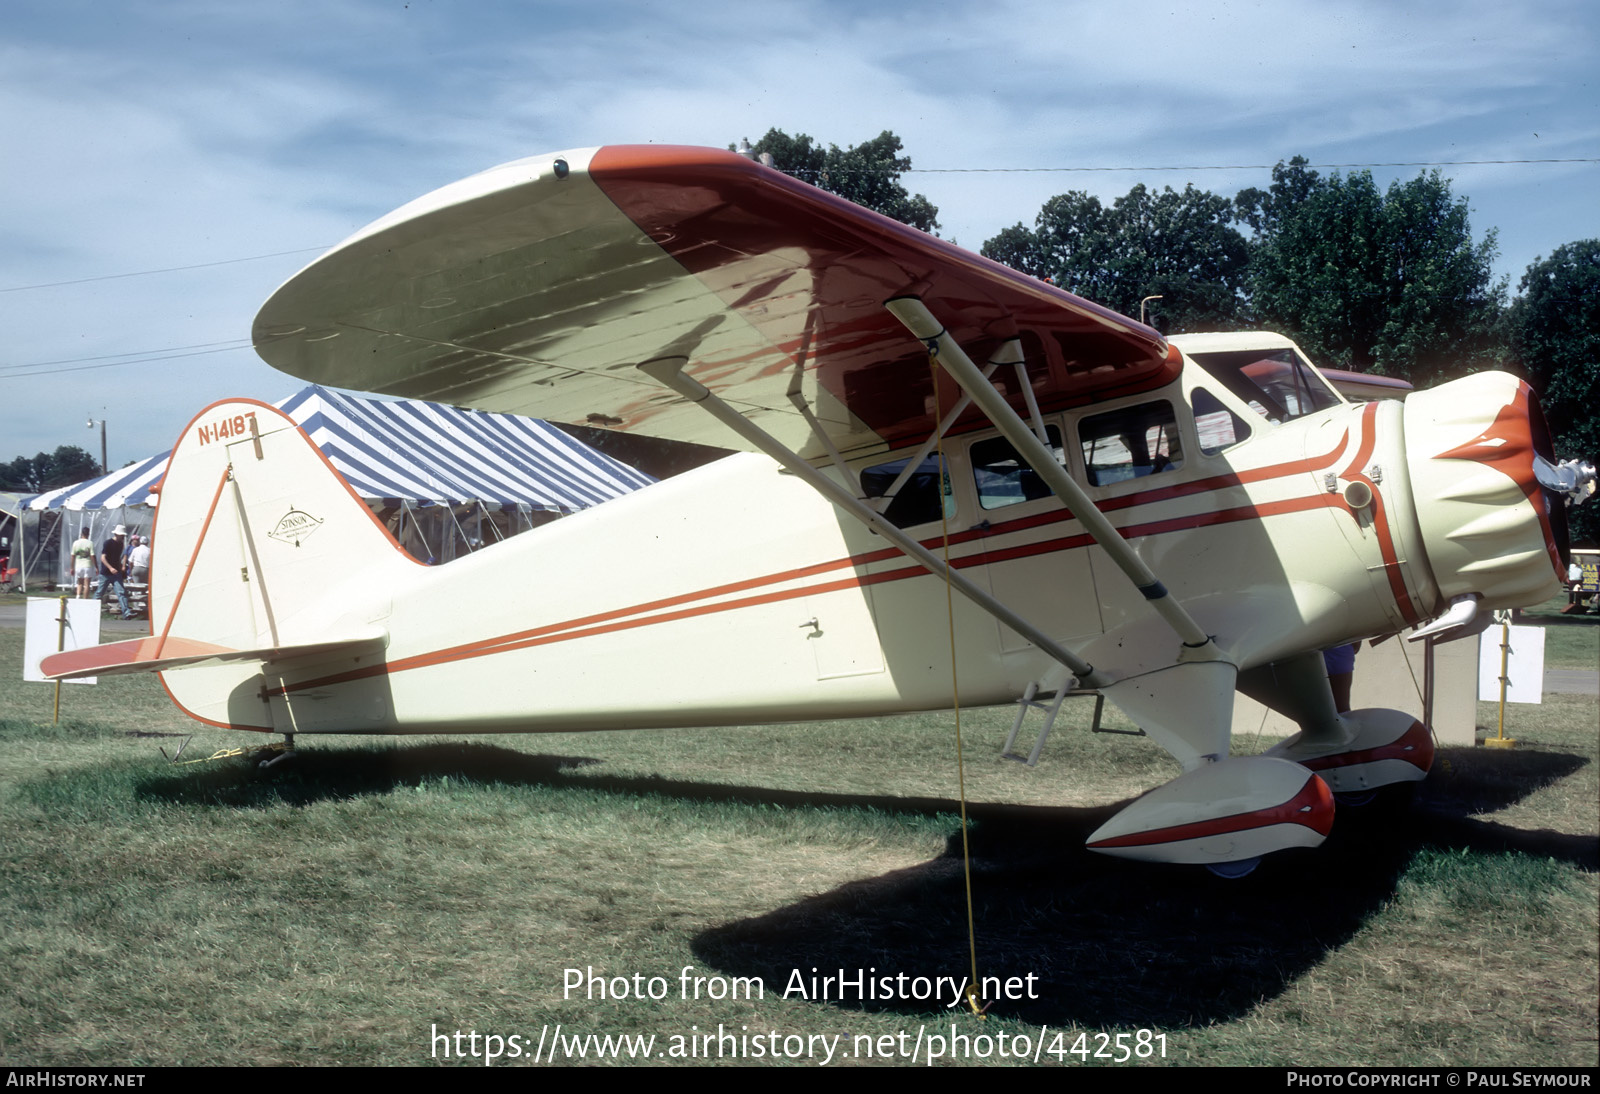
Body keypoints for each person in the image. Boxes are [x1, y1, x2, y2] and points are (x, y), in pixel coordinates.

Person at [96, 524, 132, 619]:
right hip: (106, 573)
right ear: (117, 534)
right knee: (100, 592)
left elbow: (117, 558)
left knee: (121, 592)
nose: (123, 537)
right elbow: (103, 558)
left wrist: (120, 567)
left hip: (116, 573)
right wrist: (110, 568)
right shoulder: (108, 543)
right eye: (121, 535)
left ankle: (126, 612)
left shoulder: (121, 544)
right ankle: (91, 610)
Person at [71, 526, 95, 599]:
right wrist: (96, 566)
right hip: (87, 566)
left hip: (78, 566)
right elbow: (92, 555)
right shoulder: (90, 543)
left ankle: (78, 597)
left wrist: (72, 567)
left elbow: (72, 556)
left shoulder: (76, 543)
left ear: (81, 534)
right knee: (87, 584)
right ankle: (85, 599)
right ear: (88, 534)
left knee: (79, 583)